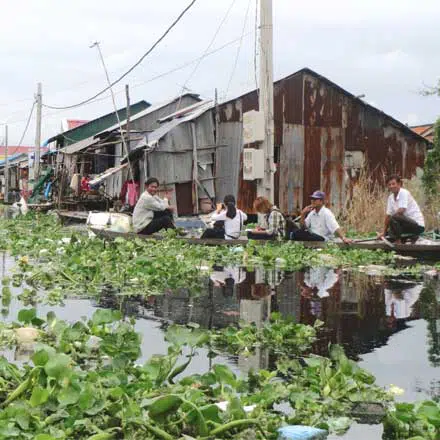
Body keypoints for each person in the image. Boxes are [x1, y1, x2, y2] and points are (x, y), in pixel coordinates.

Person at [379, 175, 425, 243]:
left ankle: (398, 240)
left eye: (393, 184)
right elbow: (388, 216)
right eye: (389, 185)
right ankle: (410, 237)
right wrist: (384, 232)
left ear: (399, 184)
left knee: (395, 217)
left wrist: (391, 224)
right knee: (390, 233)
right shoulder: (390, 198)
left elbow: (401, 211)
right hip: (406, 225)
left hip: (417, 226)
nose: (391, 186)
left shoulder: (403, 192)